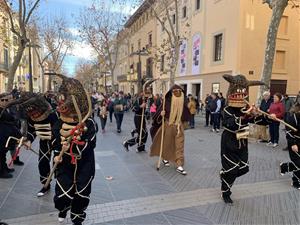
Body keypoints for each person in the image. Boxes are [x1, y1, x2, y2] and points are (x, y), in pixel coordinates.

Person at [51, 73, 97, 225]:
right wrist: (58, 153)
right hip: (63, 163)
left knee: (82, 193)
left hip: (85, 164)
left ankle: (77, 217)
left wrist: (74, 148)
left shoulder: (89, 123)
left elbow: (90, 143)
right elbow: (54, 141)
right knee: (64, 194)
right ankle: (63, 208)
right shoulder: (58, 123)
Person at [219, 74, 265, 204]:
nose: (241, 95)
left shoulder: (246, 108)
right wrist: (246, 116)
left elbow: (257, 120)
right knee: (231, 169)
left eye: (243, 92)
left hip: (243, 140)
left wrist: (264, 116)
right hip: (229, 141)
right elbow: (230, 124)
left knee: (243, 168)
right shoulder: (227, 109)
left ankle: (225, 175)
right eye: (238, 92)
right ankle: (226, 192)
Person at [18, 92, 59, 197]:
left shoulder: (52, 114)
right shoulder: (30, 117)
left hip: (58, 142)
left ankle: (61, 185)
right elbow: (32, 131)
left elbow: (58, 130)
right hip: (44, 141)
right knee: (42, 162)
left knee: (59, 163)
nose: (33, 115)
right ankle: (46, 185)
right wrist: (29, 141)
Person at [150, 85, 190, 175]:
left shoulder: (182, 102)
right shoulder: (166, 102)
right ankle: (164, 158)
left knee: (180, 146)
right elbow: (157, 117)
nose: (177, 94)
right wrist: (161, 114)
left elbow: (186, 115)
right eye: (175, 92)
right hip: (168, 125)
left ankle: (179, 164)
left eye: (179, 92)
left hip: (179, 127)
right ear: (172, 93)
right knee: (167, 144)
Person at [0, 93, 22, 179]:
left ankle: (4, 168)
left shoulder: (5, 109)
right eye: (2, 100)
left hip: (6, 136)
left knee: (3, 153)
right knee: (1, 154)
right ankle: (1, 172)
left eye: (7, 100)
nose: (5, 102)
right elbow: (10, 118)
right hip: (1, 136)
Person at [280, 103, 300, 189]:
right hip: (295, 142)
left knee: (298, 163)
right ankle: (296, 182)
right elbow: (289, 132)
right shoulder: (294, 117)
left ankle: (284, 167)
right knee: (298, 163)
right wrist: (293, 143)